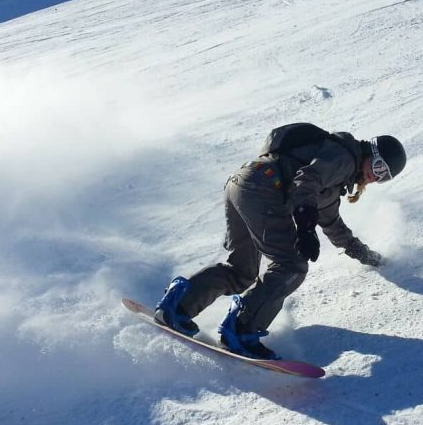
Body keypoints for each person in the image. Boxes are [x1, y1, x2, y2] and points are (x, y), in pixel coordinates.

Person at [153, 123, 406, 359]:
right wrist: (305, 224)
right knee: (291, 266)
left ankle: (178, 306)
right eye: (378, 167)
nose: (376, 177)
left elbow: (332, 224)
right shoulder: (345, 159)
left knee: (242, 270)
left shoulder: (335, 174)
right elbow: (306, 180)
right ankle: (241, 330)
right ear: (370, 152)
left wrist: (363, 254)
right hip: (263, 188)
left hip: (243, 183)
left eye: (384, 176)